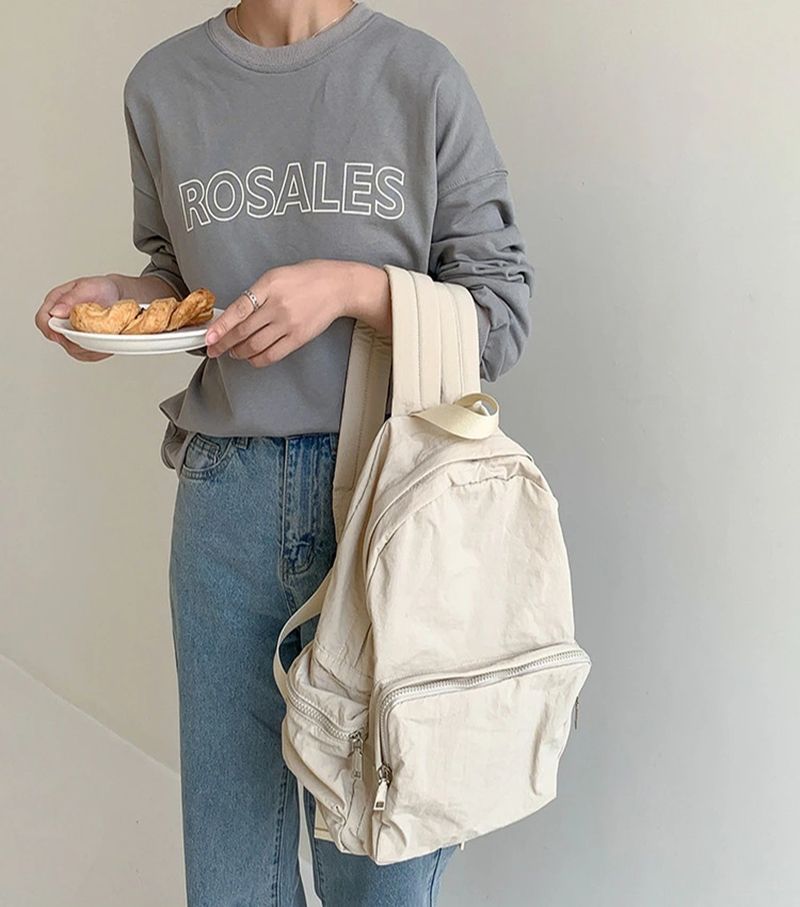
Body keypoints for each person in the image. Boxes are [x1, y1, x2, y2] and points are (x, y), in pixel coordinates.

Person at [34, 2, 534, 904]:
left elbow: (499, 312)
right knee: (231, 874)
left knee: (380, 864)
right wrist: (127, 299)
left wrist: (350, 289)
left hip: (391, 500)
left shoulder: (417, 78)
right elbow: (184, 283)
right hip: (224, 503)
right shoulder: (163, 86)